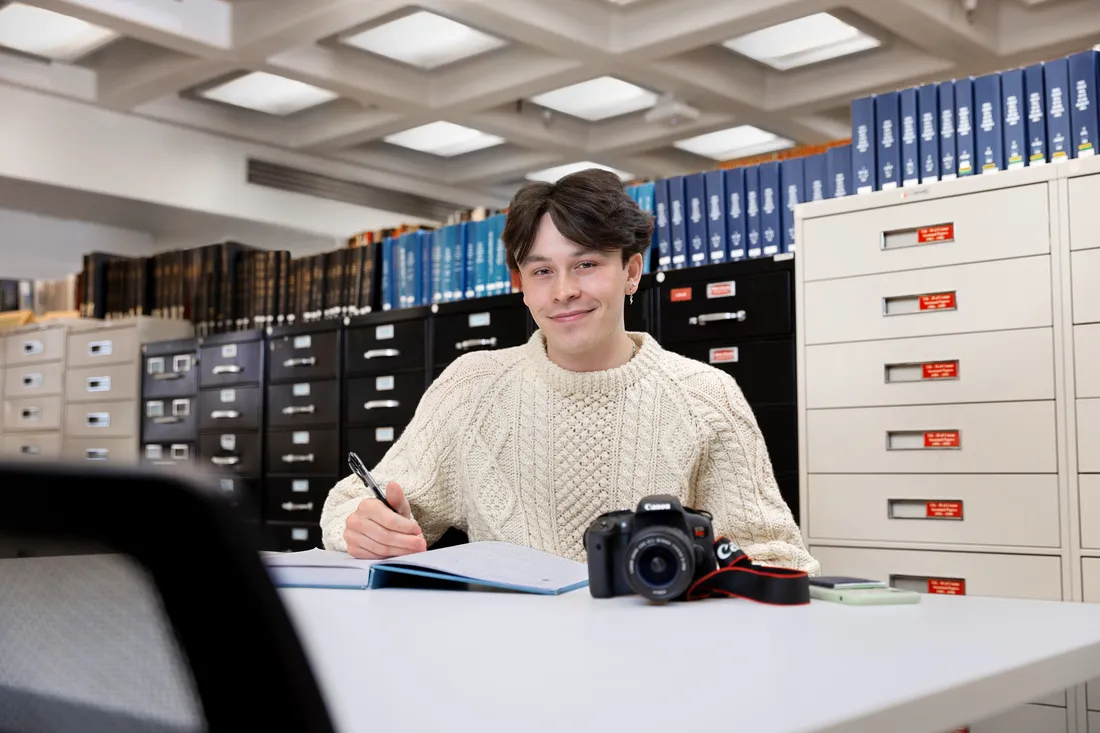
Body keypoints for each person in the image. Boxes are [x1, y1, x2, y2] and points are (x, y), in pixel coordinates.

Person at [319, 168, 819, 574]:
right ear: (522, 284)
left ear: (631, 271)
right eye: (541, 271)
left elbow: (781, 560)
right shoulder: (470, 386)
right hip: (509, 666)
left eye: (585, 265)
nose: (562, 292)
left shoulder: (707, 396)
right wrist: (364, 528)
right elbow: (349, 503)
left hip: (657, 664)